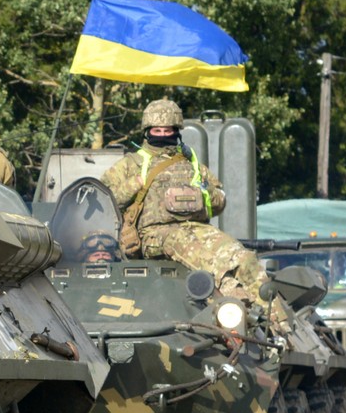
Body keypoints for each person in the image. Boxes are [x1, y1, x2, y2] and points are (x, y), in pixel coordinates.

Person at [101, 99, 280, 321]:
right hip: (156, 235)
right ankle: (243, 314)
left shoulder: (191, 163)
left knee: (244, 259)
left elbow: (219, 202)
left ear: (177, 131)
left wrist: (200, 194)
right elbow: (104, 199)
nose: (163, 134)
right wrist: (136, 182)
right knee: (220, 273)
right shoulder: (131, 164)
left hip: (196, 229)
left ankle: (277, 324)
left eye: (168, 130)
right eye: (157, 130)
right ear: (147, 131)